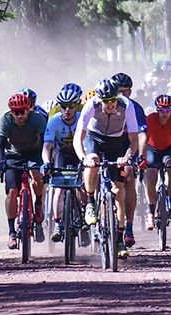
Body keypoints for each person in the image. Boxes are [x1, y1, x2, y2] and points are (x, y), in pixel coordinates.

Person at [74, 79, 145, 251]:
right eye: (106, 101)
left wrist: (127, 156)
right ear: (99, 100)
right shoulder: (91, 105)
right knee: (92, 163)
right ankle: (90, 202)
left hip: (116, 141)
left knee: (118, 191)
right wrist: (84, 158)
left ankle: (119, 238)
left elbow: (134, 140)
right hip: (94, 138)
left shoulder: (126, 105)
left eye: (113, 100)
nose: (110, 104)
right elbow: (78, 138)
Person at [0, 92, 49, 250]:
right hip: (13, 155)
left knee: (37, 175)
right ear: (11, 112)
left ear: (29, 109)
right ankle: (12, 232)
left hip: (35, 152)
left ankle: (39, 202)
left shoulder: (38, 119)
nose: (20, 115)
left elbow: (46, 141)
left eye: (23, 111)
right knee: (12, 192)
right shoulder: (5, 120)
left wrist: (46, 160)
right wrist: (2, 162)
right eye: (16, 112)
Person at [41, 83, 84, 244]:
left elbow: (87, 141)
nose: (67, 110)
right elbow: (47, 146)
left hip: (79, 152)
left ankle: (86, 217)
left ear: (76, 106)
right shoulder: (53, 121)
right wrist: (46, 162)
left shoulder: (81, 118)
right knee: (58, 189)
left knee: (84, 186)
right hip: (62, 154)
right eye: (64, 106)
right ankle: (58, 224)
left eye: (71, 106)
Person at [110, 72, 146, 247]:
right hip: (110, 144)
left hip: (128, 145)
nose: (121, 95)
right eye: (118, 91)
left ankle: (129, 226)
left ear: (130, 92)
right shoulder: (106, 105)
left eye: (125, 91)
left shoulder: (135, 108)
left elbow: (142, 135)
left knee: (129, 177)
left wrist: (140, 155)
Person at [143, 94, 171, 229]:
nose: (165, 114)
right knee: (150, 175)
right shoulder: (150, 119)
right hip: (153, 148)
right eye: (162, 110)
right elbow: (143, 140)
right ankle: (150, 212)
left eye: (168, 110)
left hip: (169, 148)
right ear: (157, 110)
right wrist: (142, 156)